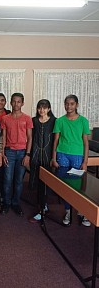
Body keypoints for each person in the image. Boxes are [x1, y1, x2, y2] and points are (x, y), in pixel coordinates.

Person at [52, 94, 91, 227]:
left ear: (76, 105)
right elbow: (56, 140)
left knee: (78, 185)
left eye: (72, 104)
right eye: (67, 104)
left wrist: (85, 161)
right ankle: (68, 211)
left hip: (77, 156)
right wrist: (53, 157)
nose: (69, 106)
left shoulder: (83, 121)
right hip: (62, 154)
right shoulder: (60, 121)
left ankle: (81, 211)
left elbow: (86, 143)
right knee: (65, 186)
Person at [1, 93, 33, 216]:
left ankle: (16, 203)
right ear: (10, 102)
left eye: (19, 102)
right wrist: (3, 153)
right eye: (14, 101)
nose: (16, 104)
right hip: (9, 152)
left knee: (19, 181)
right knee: (7, 180)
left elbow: (30, 138)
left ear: (22, 103)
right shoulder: (5, 118)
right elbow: (3, 137)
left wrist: (28, 155)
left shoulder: (27, 118)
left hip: (22, 153)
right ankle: (6, 203)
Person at [28, 99, 56, 223]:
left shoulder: (54, 121)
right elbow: (30, 138)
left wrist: (54, 157)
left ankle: (43, 208)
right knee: (37, 182)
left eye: (44, 108)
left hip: (48, 157)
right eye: (40, 107)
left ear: (49, 109)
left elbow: (56, 140)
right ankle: (41, 206)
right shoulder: (34, 121)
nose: (42, 110)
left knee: (46, 183)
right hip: (35, 156)